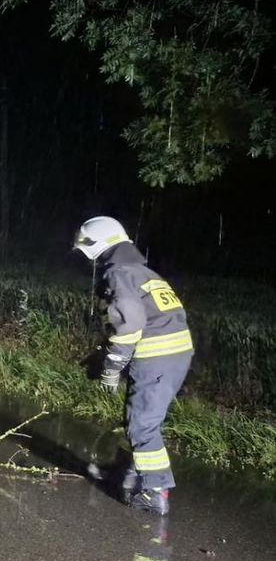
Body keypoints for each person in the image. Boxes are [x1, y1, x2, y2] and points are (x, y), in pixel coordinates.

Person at [73, 216, 193, 515]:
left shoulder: (119, 273)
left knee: (142, 424)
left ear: (97, 246)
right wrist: (106, 355)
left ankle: (155, 491)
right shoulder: (143, 272)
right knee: (140, 418)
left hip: (157, 356)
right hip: (172, 355)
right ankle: (131, 472)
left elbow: (131, 325)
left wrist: (113, 367)